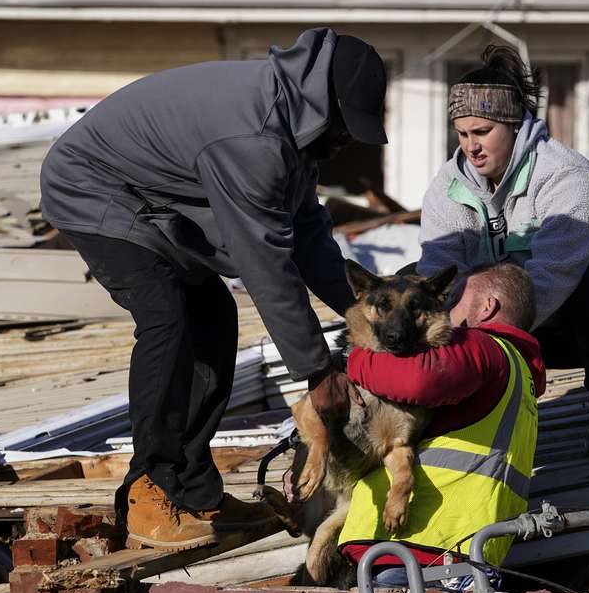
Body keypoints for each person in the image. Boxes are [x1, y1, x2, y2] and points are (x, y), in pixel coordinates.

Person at [38, 27, 385, 550]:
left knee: (215, 319)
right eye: (343, 129)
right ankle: (147, 488)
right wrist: (318, 370)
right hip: (91, 189)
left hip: (153, 200)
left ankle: (195, 490)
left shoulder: (295, 125)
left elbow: (308, 237)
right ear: (323, 105)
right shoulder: (255, 140)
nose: (344, 143)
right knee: (167, 317)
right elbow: (266, 264)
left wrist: (367, 313)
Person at [417, 45, 589, 461]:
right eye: (463, 134)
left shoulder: (566, 175)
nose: (471, 147)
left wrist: (481, 354)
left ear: (514, 126)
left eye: (482, 132)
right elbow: (439, 274)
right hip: (521, 323)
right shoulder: (449, 186)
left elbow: (554, 276)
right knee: (418, 286)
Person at [336, 263, 544, 588]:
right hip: (462, 549)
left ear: (487, 307)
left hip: (416, 544)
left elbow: (415, 381)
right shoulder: (520, 372)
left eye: (457, 297)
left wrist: (355, 355)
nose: (445, 307)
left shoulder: (479, 346)